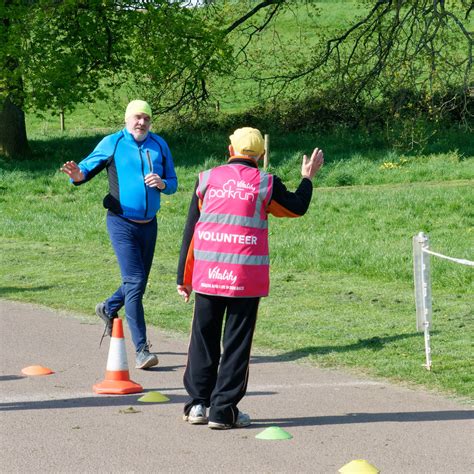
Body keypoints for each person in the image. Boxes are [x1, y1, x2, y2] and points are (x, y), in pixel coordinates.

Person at [176, 126, 323, 429]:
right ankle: (223, 410)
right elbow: (297, 208)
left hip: (208, 275)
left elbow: (191, 229)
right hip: (244, 278)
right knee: (236, 344)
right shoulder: (265, 183)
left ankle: (198, 405)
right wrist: (307, 178)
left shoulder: (206, 179)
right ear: (261, 156)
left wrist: (184, 276)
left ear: (229, 150)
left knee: (203, 340)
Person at [61, 99, 178, 369]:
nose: (141, 123)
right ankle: (141, 350)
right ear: (127, 120)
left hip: (150, 224)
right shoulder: (113, 142)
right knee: (135, 282)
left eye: (146, 119)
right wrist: (77, 175)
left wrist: (163, 183)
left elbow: (173, 182)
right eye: (137, 118)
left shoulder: (159, 145)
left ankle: (108, 307)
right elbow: (84, 170)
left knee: (137, 282)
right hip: (121, 222)